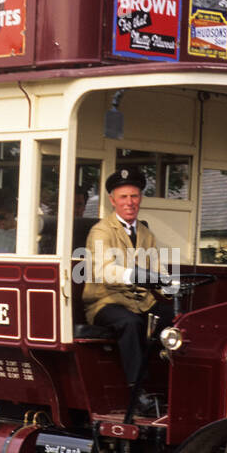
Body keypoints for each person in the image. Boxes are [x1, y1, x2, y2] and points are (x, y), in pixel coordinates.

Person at [83, 168, 174, 413]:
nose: (129, 202)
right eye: (123, 197)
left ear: (140, 199)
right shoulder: (101, 231)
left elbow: (158, 268)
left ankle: (173, 387)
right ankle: (138, 392)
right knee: (130, 323)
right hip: (105, 301)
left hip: (139, 302)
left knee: (172, 320)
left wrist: (170, 286)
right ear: (113, 201)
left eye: (134, 196)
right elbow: (103, 270)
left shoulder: (145, 233)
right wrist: (134, 275)